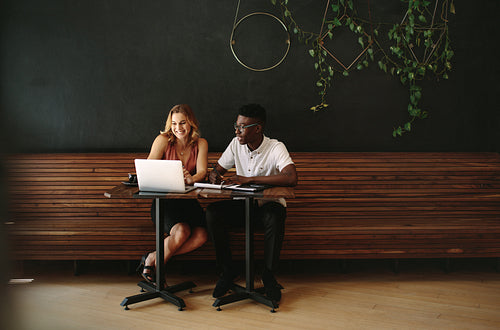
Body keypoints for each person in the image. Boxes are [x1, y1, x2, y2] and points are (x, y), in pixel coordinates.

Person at [205, 103, 298, 302]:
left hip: (266, 206)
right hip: (242, 206)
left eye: (242, 127)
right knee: (212, 212)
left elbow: (291, 178)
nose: (237, 131)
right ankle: (228, 272)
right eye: (236, 126)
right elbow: (217, 170)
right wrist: (214, 175)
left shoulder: (275, 147)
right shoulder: (235, 144)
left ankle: (268, 276)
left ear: (258, 128)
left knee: (275, 215)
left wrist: (251, 179)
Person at [137, 104, 209, 283]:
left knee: (202, 236)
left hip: (189, 202)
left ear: (191, 123)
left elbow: (202, 172)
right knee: (182, 231)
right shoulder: (162, 140)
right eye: (174, 123)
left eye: (183, 123)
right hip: (165, 202)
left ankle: (152, 257)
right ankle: (159, 273)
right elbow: (148, 169)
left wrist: (192, 178)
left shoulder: (201, 143)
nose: (178, 128)